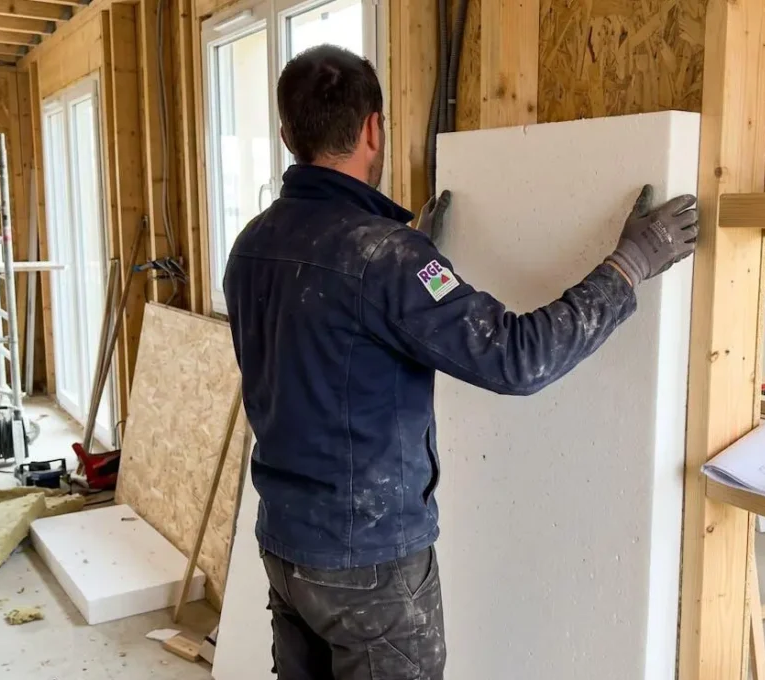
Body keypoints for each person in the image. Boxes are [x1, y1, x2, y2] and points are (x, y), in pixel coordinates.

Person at [223, 44, 699, 680]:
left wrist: (412, 263)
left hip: (285, 543)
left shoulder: (251, 245)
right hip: (369, 564)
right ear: (373, 128)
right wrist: (629, 265)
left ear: (286, 134)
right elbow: (516, 358)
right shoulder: (387, 259)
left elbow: (324, 337)